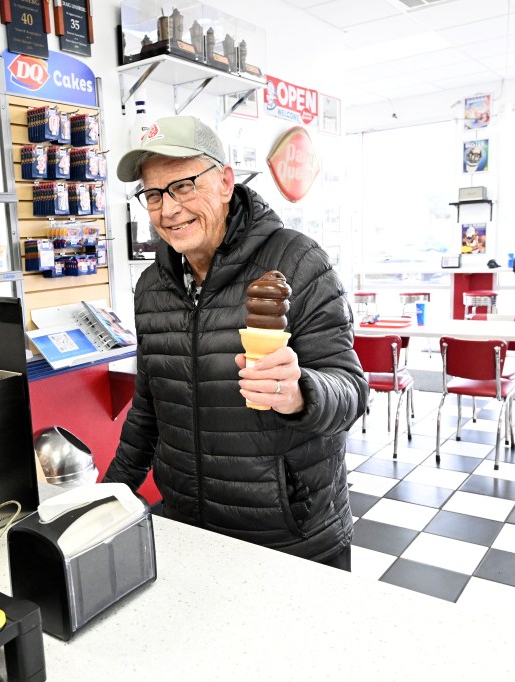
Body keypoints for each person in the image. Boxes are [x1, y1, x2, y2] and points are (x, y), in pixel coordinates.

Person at [102, 115, 368, 571]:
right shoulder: (151, 287)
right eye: (152, 194)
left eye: (184, 186)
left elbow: (352, 391)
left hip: (292, 535)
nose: (168, 209)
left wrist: (301, 392)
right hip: (187, 528)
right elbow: (149, 409)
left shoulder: (299, 261)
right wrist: (109, 499)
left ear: (226, 182)